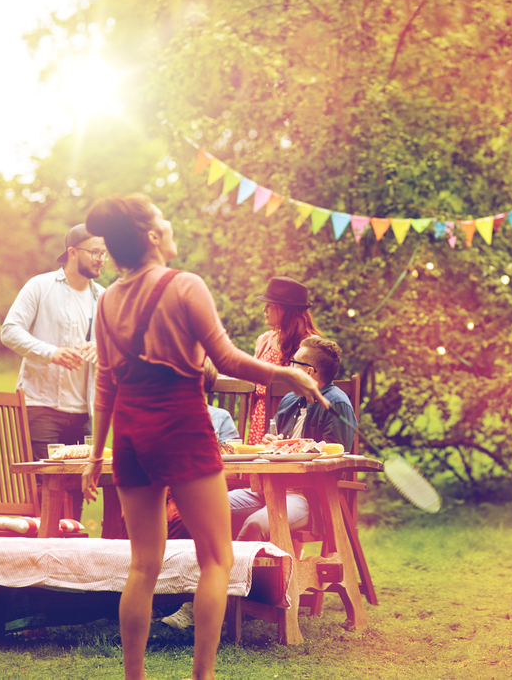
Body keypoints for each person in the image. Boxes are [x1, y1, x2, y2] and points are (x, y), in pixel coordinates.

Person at [79, 193, 325, 680]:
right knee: (217, 558)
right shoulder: (185, 285)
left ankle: (134, 676)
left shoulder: (107, 300)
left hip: (129, 435)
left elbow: (106, 382)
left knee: (142, 566)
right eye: (162, 219)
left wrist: (95, 455)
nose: (170, 223)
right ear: (152, 236)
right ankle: (202, 676)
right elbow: (230, 360)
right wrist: (292, 377)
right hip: (181, 427)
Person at [161, 335, 355, 631]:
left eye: (294, 363)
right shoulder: (291, 401)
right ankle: (188, 594)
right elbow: (276, 448)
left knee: (255, 524)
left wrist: (294, 447)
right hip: (267, 490)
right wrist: (273, 443)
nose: (288, 366)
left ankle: (217, 603)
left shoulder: (337, 404)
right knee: (202, 509)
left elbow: (335, 459)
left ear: (309, 371)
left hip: (307, 498)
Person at [1, 224, 107, 460]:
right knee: (42, 488)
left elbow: (118, 346)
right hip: (41, 408)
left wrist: (102, 347)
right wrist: (51, 352)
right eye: (94, 252)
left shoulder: (104, 297)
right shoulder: (39, 286)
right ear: (72, 252)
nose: (100, 259)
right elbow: (9, 331)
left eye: (103, 253)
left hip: (84, 413)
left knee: (78, 490)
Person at [245, 276, 322, 444]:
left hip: (292, 421)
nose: (264, 310)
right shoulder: (264, 340)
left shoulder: (310, 344)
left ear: (287, 310)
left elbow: (317, 388)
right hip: (260, 418)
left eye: (270, 305)